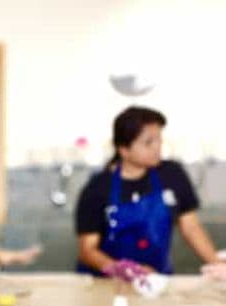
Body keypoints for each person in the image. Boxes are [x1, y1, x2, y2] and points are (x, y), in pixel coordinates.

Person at [75, 106, 218, 275]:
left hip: (157, 280)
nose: (157, 147)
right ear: (124, 150)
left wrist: (217, 265)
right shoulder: (97, 188)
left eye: (159, 140)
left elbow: (191, 228)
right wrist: (124, 270)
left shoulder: (171, 174)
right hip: (106, 284)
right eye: (148, 142)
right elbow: (87, 250)